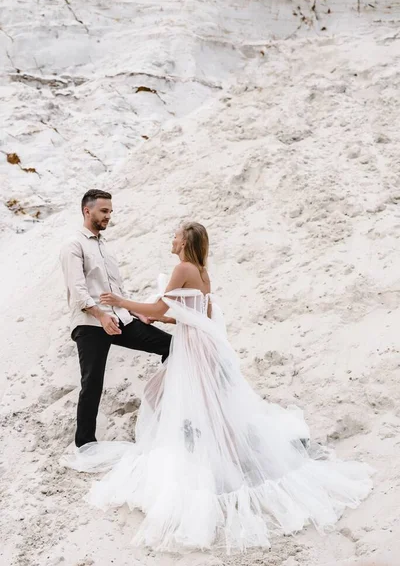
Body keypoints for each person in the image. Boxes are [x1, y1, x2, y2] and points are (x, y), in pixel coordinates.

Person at [63, 221, 373, 553]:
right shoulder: (200, 270)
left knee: (195, 403)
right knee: (179, 397)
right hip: (200, 342)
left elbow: (160, 307)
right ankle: (213, 447)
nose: (172, 238)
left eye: (176, 235)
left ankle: (224, 459)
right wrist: (162, 320)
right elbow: (196, 312)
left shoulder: (182, 267)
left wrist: (123, 302)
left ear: (184, 242)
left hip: (195, 348)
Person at [59, 189, 171, 448]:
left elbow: (115, 291)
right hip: (90, 324)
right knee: (92, 383)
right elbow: (77, 291)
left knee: (172, 346)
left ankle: (168, 408)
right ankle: (85, 444)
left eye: (110, 211)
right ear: (87, 211)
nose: (109, 216)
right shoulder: (73, 245)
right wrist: (100, 316)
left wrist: (134, 312)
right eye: (104, 211)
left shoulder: (104, 246)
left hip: (120, 319)